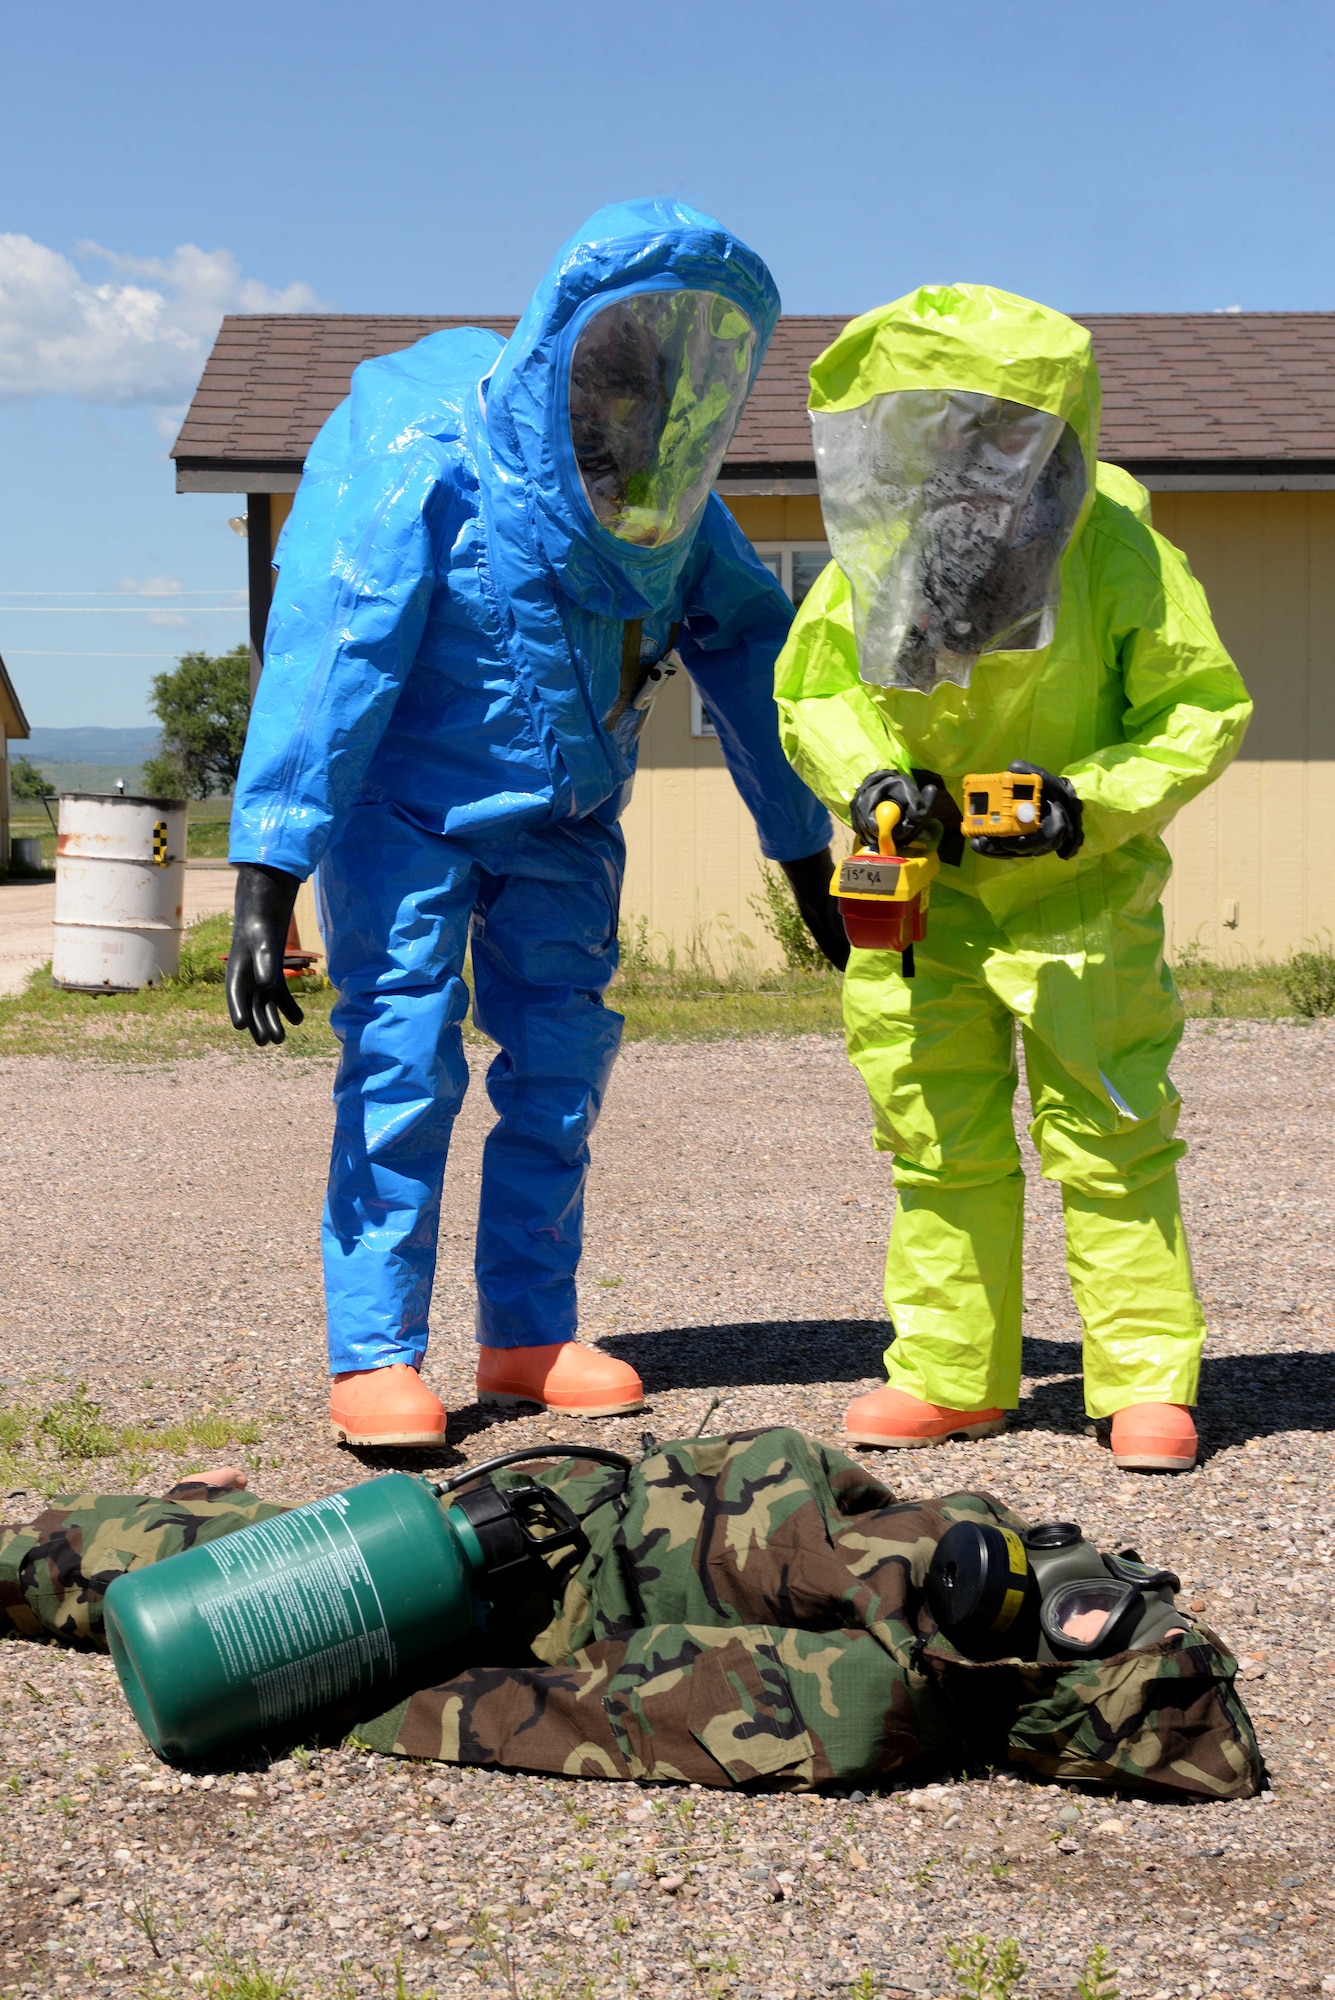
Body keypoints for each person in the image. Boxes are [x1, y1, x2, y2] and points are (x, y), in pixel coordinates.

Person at [224, 200, 844, 1449]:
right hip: (405, 806)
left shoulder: (658, 507)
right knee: (402, 1062)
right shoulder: (423, 462)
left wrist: (805, 848)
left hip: (567, 809)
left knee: (559, 1069)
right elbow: (330, 657)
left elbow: (746, 647)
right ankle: (376, 1351)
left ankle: (525, 1330)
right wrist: (268, 869)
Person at [775, 285, 1252, 1472]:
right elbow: (812, 692)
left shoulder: (1118, 548)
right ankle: (950, 1372)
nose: (969, 462)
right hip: (922, 900)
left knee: (1112, 1132)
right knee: (938, 1135)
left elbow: (1200, 708)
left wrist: (1082, 801)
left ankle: (1144, 1378)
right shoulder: (877, 557)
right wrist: (876, 780)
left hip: (1078, 898)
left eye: (994, 433)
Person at [0, 1432, 1260, 1798]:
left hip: (518, 1588)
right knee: (186, 1556)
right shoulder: (948, 1551)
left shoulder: (868, 1702)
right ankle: (208, 1521)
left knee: (181, 1571)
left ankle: (201, 1522)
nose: (1068, 1602)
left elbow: (590, 1706)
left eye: (1086, 1626)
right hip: (564, 1514)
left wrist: (349, 1696)